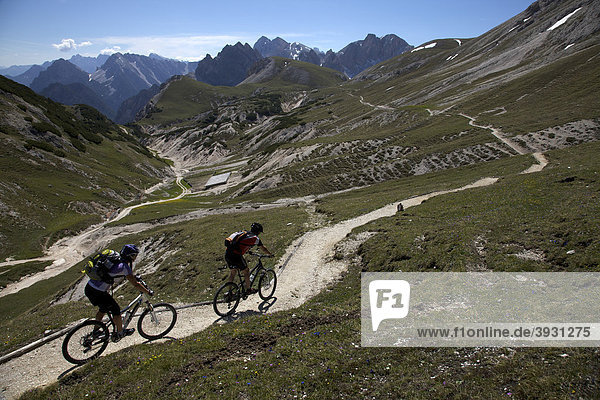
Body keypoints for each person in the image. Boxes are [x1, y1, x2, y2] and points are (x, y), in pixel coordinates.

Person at [84, 244, 152, 342]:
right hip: (99, 292)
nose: (135, 258)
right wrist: (147, 291)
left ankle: (96, 330)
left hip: (89, 288)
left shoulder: (114, 259)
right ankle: (120, 332)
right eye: (134, 256)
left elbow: (119, 274)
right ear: (130, 256)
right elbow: (135, 284)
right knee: (116, 310)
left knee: (103, 308)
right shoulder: (124, 267)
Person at [225, 222, 273, 294]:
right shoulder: (255, 238)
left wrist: (248, 251)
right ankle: (249, 289)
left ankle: (229, 292)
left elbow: (241, 243)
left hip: (228, 253)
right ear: (258, 232)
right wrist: (270, 254)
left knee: (233, 272)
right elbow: (263, 249)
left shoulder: (243, 232)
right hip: (236, 255)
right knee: (246, 271)